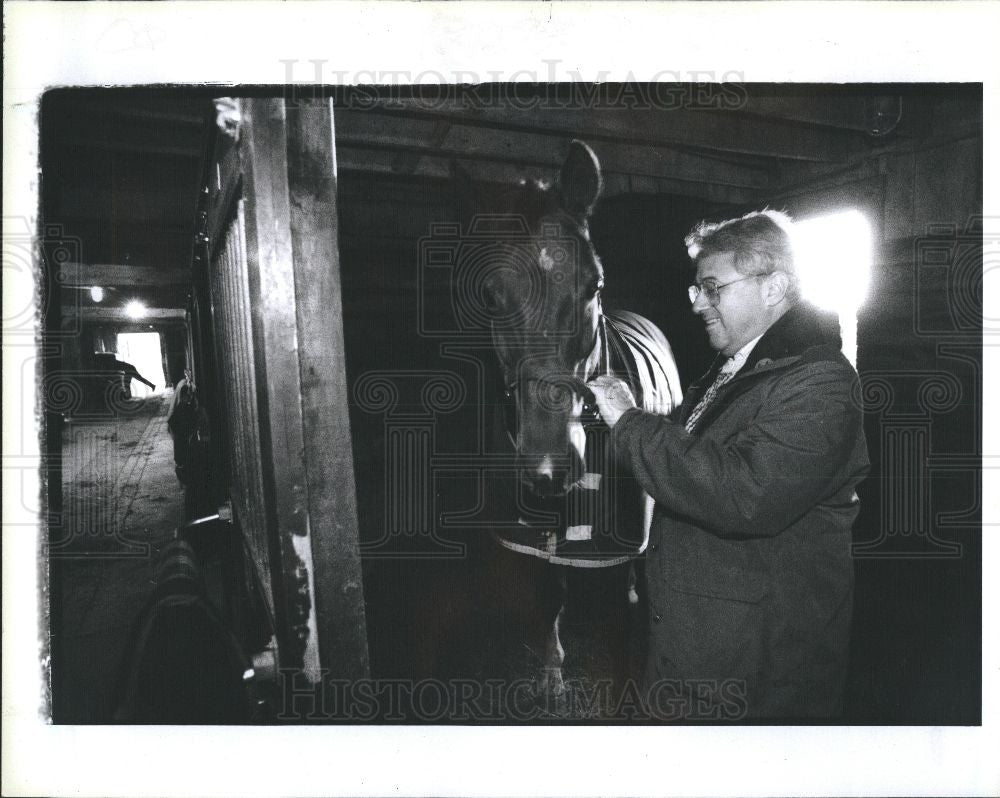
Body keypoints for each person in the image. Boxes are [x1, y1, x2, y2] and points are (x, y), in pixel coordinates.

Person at [589, 209, 869, 720]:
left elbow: (745, 493)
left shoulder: (820, 383)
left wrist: (629, 422)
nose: (696, 303)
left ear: (773, 287)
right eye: (697, 289)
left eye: (712, 287)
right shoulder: (733, 372)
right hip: (702, 657)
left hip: (759, 674)